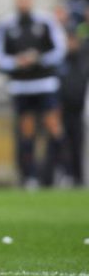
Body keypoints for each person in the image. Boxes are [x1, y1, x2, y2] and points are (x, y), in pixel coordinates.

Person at [0, 0, 69, 188]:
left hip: (45, 83)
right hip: (21, 85)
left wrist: (39, 59)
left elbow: (60, 49)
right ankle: (31, 176)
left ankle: (63, 172)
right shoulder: (6, 24)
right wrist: (16, 62)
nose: (22, 3)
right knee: (27, 131)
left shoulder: (46, 21)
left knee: (54, 126)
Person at [58, 27, 88, 185]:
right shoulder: (60, 61)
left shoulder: (83, 61)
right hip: (62, 111)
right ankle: (66, 175)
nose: (70, 44)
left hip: (80, 111)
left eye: (72, 40)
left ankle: (80, 178)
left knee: (79, 145)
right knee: (62, 145)